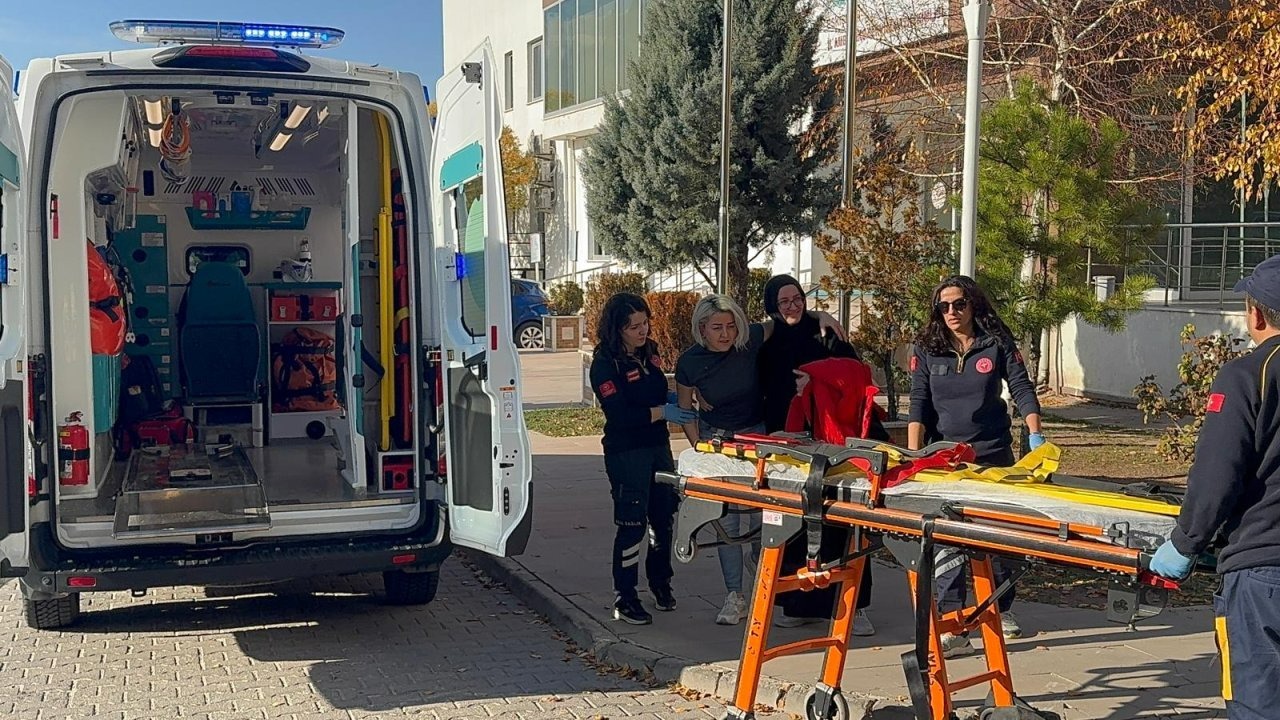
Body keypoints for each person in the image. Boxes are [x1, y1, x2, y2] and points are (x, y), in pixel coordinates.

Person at [1149, 255, 1280, 720]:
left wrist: (1185, 544)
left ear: (1257, 313)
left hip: (1264, 568)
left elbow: (1217, 472)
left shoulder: (1248, 375)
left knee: (1258, 700)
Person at [675, 293, 844, 625]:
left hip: (756, 436)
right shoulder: (690, 362)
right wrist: (700, 450)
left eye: (730, 326)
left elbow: (782, 321)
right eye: (717, 328)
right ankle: (734, 595)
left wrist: (821, 315)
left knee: (761, 517)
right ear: (701, 329)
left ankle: (760, 568)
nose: (725, 334)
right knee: (727, 522)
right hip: (716, 439)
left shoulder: (749, 339)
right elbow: (685, 411)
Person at [907, 275, 1044, 655]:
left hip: (992, 453)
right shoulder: (927, 347)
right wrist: (916, 456)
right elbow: (918, 402)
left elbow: (1020, 386)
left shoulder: (995, 341)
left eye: (959, 304)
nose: (952, 312)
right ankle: (955, 621)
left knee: (998, 538)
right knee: (947, 540)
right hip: (944, 457)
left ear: (973, 305)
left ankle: (1001, 609)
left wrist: (1036, 436)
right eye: (944, 306)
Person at [758, 274, 878, 634]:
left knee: (843, 521)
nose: (793, 307)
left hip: (835, 442)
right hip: (789, 442)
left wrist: (818, 378)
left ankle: (852, 606)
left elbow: (857, 373)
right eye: (784, 302)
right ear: (772, 307)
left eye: (798, 298)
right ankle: (797, 603)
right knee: (795, 523)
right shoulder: (767, 340)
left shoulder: (826, 333)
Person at [590, 293, 698, 625]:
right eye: (633, 327)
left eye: (645, 323)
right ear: (617, 329)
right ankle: (626, 596)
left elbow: (653, 390)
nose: (642, 331)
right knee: (632, 525)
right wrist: (661, 411)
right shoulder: (605, 365)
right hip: (627, 452)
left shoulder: (648, 354)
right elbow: (620, 413)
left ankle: (660, 582)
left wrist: (673, 400)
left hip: (657, 447)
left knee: (664, 518)